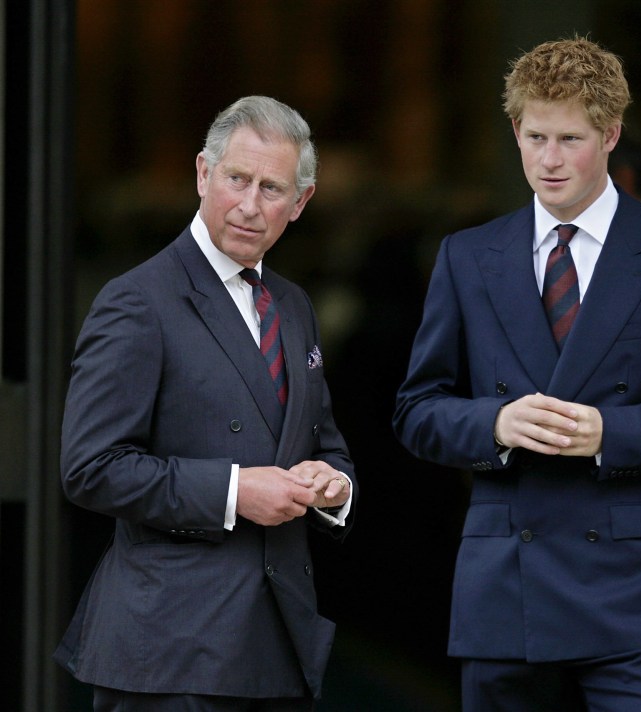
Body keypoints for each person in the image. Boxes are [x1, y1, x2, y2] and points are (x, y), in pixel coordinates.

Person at [393, 37, 641, 712]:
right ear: (515, 132)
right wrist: (494, 423)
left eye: (570, 139)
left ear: (611, 134)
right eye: (535, 137)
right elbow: (416, 410)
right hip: (505, 595)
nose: (549, 160)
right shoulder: (469, 256)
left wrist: (610, 433)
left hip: (634, 597)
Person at [55, 96, 356, 711]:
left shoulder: (294, 306)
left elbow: (322, 441)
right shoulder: (137, 300)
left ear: (301, 203)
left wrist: (335, 485)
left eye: (272, 188)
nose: (249, 205)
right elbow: (90, 468)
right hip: (170, 653)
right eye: (236, 179)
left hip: (277, 645)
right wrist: (234, 491)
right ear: (202, 174)